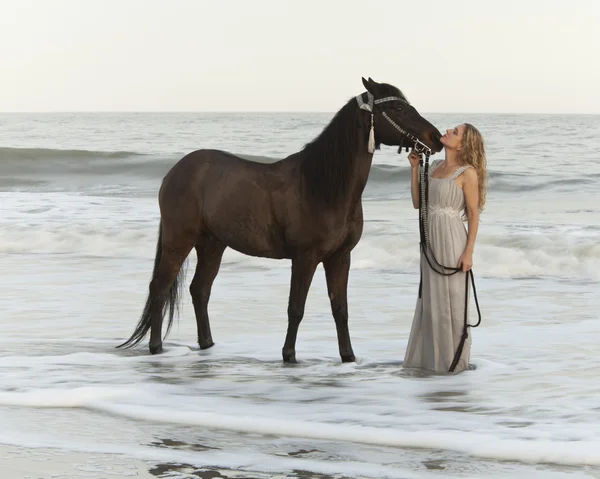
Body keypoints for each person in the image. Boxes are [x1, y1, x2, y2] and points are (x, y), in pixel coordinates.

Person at [403, 123, 487, 373]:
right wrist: (415, 168)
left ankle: (452, 365)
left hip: (452, 240)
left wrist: (469, 251)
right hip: (430, 241)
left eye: (456, 131)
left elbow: (473, 214)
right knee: (431, 302)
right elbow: (418, 203)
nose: (449, 130)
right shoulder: (436, 167)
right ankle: (430, 364)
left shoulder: (467, 172)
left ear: (462, 144)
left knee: (450, 302)